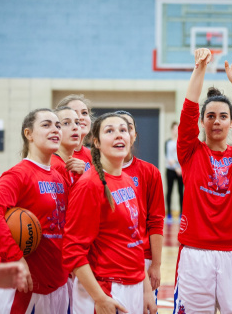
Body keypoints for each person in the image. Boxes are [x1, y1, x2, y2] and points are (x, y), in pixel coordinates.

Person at [173, 48, 232, 313]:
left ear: (231, 122)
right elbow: (189, 109)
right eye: (210, 116)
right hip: (195, 252)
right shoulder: (190, 151)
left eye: (223, 116)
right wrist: (199, 69)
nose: (216, 121)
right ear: (202, 122)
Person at [62, 113, 156, 314]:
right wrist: (99, 297)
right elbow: (73, 250)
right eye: (110, 131)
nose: (119, 135)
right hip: (105, 289)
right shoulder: (89, 185)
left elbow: (137, 241)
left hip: (134, 286)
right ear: (96, 142)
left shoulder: (129, 181)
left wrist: (146, 290)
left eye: (123, 130)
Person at [0, 108, 70, 313]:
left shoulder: (58, 177)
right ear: (28, 134)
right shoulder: (18, 175)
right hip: (26, 288)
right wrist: (16, 257)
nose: (55, 129)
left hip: (58, 284)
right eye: (46, 125)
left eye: (58, 125)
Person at [117, 110, 165, 308]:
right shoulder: (95, 175)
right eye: (115, 128)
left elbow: (156, 221)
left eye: (127, 127)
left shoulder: (149, 172)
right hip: (105, 260)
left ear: (134, 134)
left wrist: (156, 264)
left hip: (141, 258)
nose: (122, 133)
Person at [56, 94, 93, 171]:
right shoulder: (52, 156)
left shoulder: (93, 156)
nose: (81, 118)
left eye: (84, 113)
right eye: (74, 113)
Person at [51, 106, 85, 186]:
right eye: (66, 123)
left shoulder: (72, 164)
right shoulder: (55, 165)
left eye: (77, 123)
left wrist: (80, 176)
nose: (75, 128)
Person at [165, 121, 183, 224]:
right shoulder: (168, 143)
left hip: (181, 170)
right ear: (172, 130)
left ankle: (181, 213)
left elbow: (182, 157)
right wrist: (175, 166)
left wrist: (179, 167)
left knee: (181, 192)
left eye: (178, 129)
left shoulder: (181, 142)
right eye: (174, 129)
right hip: (171, 170)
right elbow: (169, 158)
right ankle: (169, 214)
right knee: (170, 192)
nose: (176, 131)